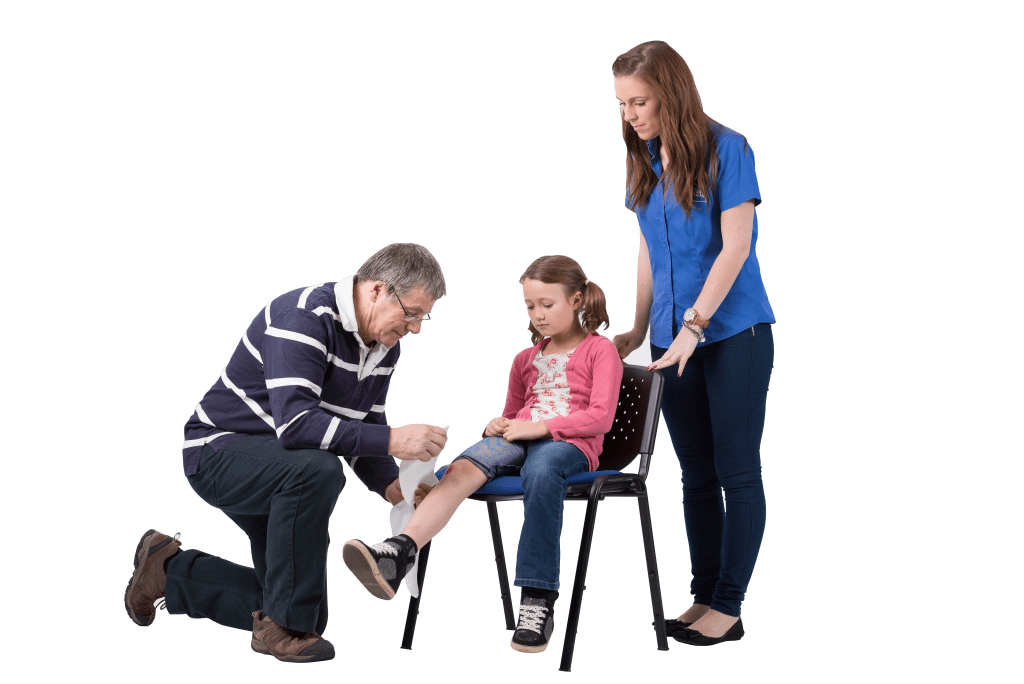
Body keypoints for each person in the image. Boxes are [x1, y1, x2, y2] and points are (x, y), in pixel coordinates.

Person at [123, 243, 449, 663]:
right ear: (377, 290)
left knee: (304, 615)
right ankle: (280, 628)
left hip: (285, 468)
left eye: (424, 317)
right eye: (411, 312)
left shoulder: (385, 348)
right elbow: (297, 426)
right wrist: (392, 440)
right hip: (219, 452)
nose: (416, 327)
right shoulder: (304, 317)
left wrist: (397, 490)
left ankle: (168, 574)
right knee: (318, 469)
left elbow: (363, 430)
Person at [341, 255, 623, 655]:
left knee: (541, 472)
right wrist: (499, 424)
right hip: (519, 438)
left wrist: (539, 428)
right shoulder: (525, 359)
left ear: (577, 300)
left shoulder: (600, 351)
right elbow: (512, 414)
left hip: (569, 446)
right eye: (530, 306)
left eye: (548, 305)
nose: (538, 315)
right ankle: (400, 551)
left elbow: (600, 417)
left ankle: (537, 601)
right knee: (461, 467)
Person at [610, 41, 776, 647]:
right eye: (623, 102)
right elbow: (650, 251)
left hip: (733, 334)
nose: (630, 113)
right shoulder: (644, 159)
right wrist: (638, 325)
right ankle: (703, 596)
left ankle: (728, 606)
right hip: (668, 341)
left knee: (737, 472)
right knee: (695, 476)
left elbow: (735, 246)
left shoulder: (728, 148)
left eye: (641, 101)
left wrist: (694, 325)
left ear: (671, 94)